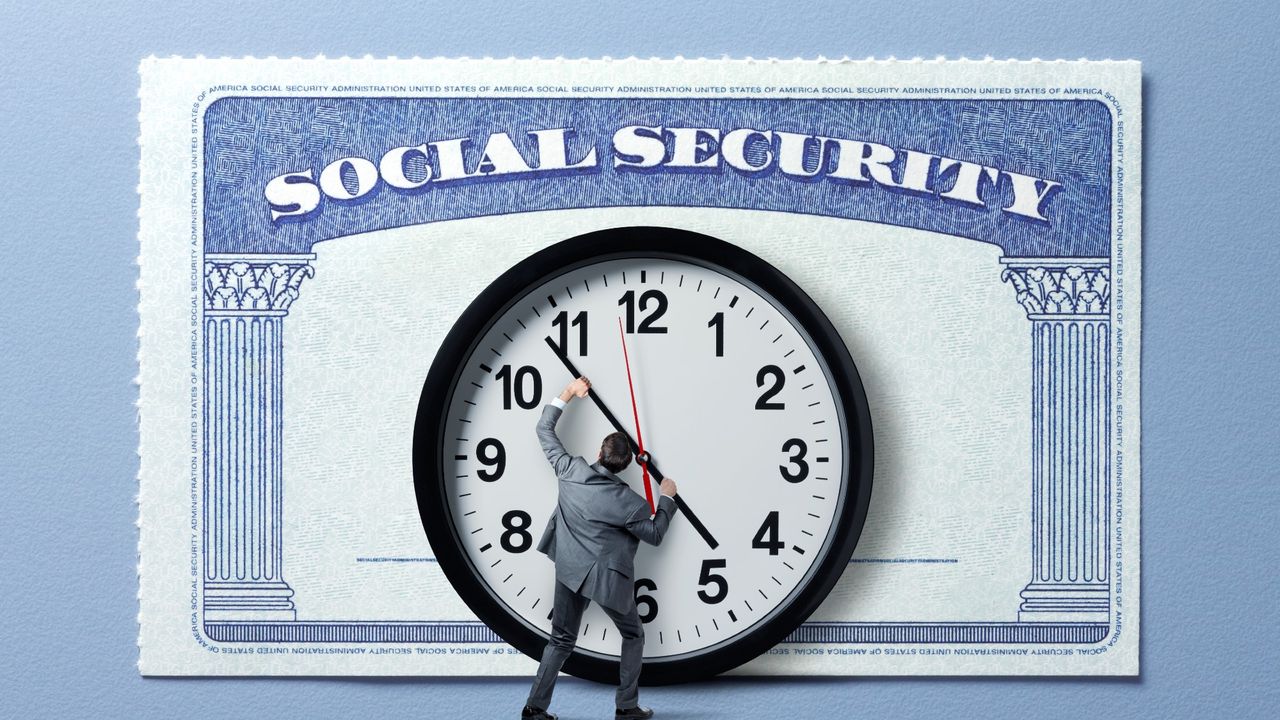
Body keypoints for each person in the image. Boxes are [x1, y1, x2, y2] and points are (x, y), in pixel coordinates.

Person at [522, 377, 678, 720]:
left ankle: (534, 710)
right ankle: (626, 708)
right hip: (606, 580)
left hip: (569, 568)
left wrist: (569, 392)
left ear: (599, 453)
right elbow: (654, 534)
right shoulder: (630, 502)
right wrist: (667, 498)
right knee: (633, 634)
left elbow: (544, 428)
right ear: (625, 467)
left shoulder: (569, 469)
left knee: (560, 640)